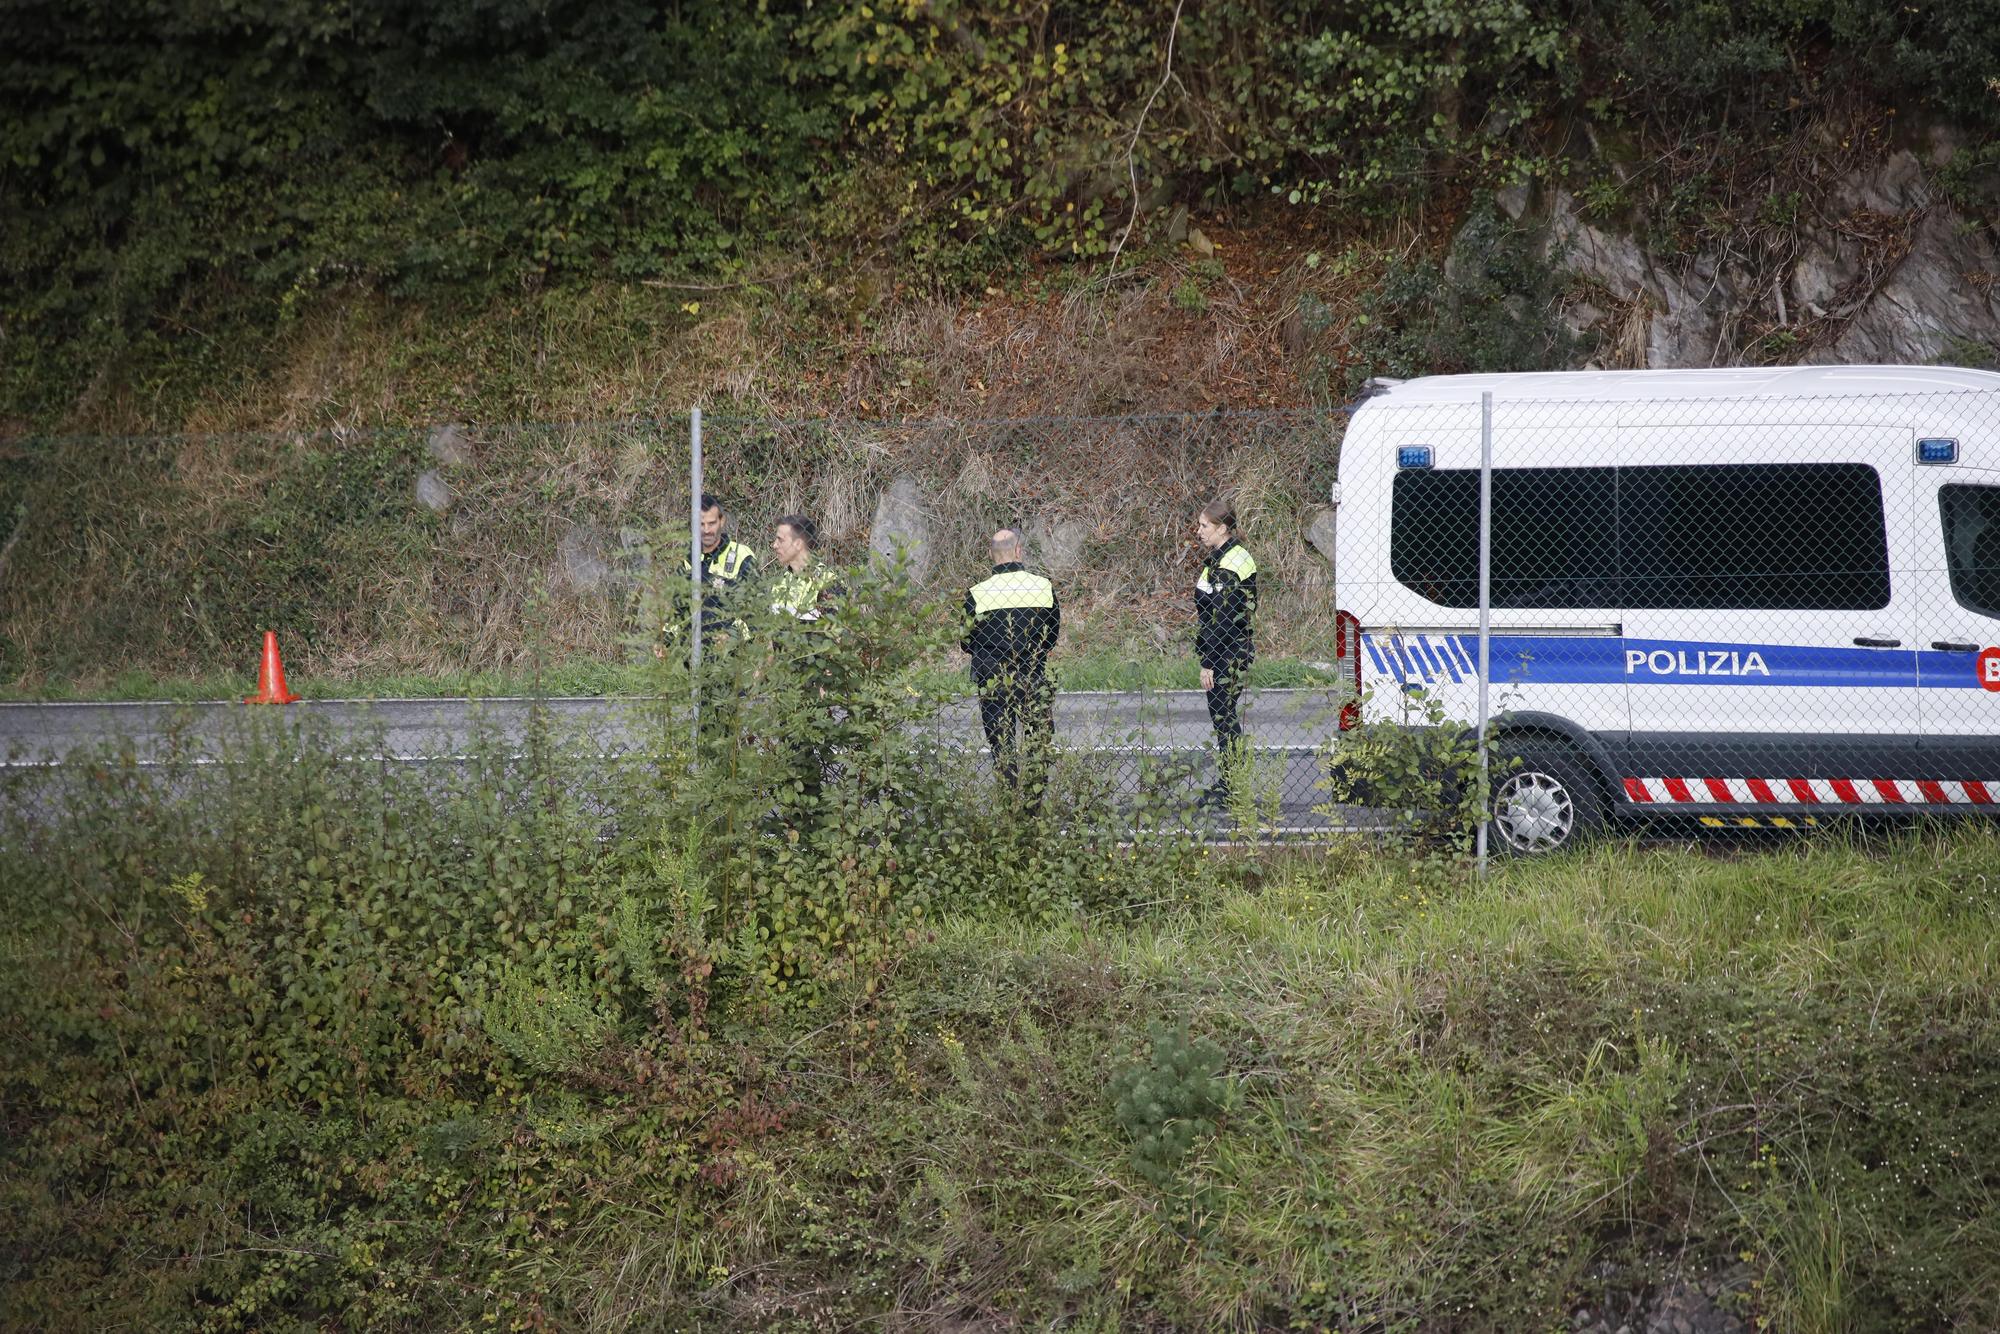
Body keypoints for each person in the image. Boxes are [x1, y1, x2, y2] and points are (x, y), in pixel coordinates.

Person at [962, 529, 1059, 799]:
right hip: (1033, 677)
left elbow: (966, 641)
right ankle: (1033, 810)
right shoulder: (1042, 587)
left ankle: (1009, 810)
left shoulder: (977, 594)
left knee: (1002, 750)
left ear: (990, 555)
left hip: (993, 682)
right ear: (1019, 551)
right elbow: (1051, 636)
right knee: (1037, 748)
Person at [1193, 497, 1257, 808]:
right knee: (1226, 718)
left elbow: (1220, 621)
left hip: (1226, 652)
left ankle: (1232, 788)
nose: (1199, 531)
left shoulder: (1227, 565)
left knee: (1224, 720)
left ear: (1222, 528)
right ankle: (1231, 783)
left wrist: (1208, 663)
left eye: (1205, 526)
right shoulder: (1230, 557)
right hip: (1235, 647)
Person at [668, 492, 757, 651]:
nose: (706, 530)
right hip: (692, 656)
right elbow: (678, 611)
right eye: (701, 524)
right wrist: (664, 639)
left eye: (711, 523)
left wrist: (731, 635)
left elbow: (755, 613)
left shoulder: (742, 557)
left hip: (731, 659)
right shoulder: (689, 561)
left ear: (722, 521)